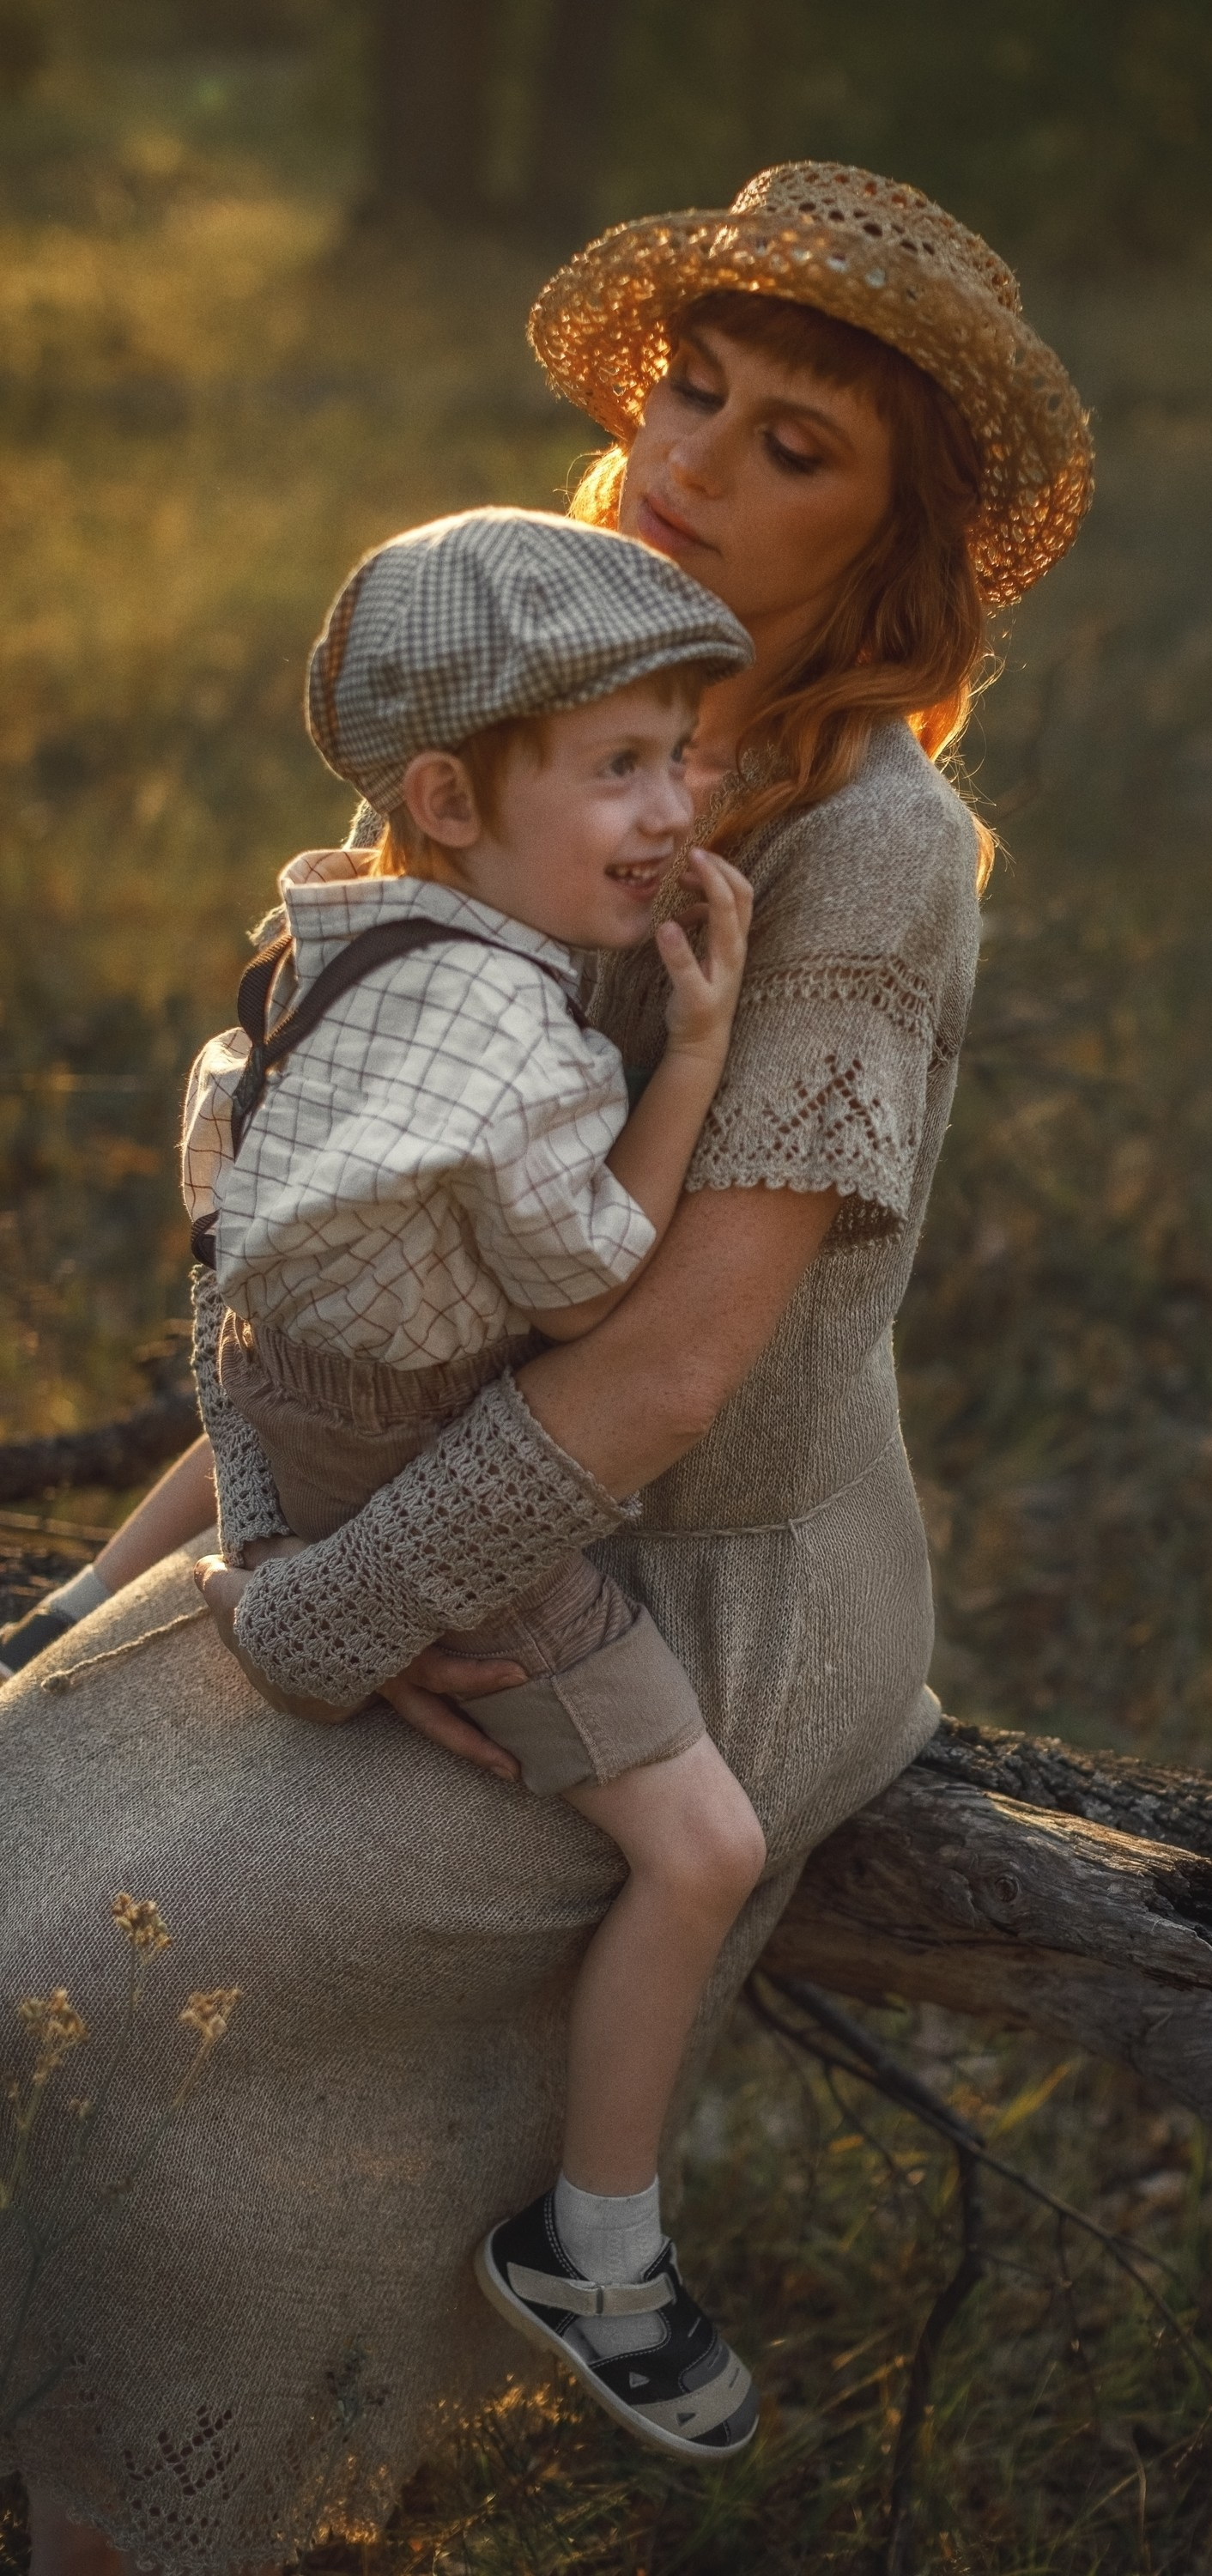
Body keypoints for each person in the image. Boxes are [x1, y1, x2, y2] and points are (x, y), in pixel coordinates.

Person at [0, 161, 1092, 2576]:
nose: (699, 461)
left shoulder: (867, 853)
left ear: (891, 554)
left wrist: (330, 1612)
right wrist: (136, 1573)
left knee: (91, 1959)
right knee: (19, 1811)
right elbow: (368, 1254)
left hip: (696, 1578)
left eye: (795, 447)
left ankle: (175, 2487)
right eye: (693, 394)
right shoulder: (540, 690)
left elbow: (676, 1372)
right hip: (416, 1478)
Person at [179, 504, 767, 2463]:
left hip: (292, 1402)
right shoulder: (512, 1033)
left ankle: (83, 1621)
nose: (674, 810)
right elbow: (603, 1285)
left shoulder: (334, 937)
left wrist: (258, 1499)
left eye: (682, 755)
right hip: (433, 1459)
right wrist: (689, 1051)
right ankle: (594, 2250)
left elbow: (228, 1238)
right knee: (705, 1851)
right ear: (445, 793)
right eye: (618, 768)